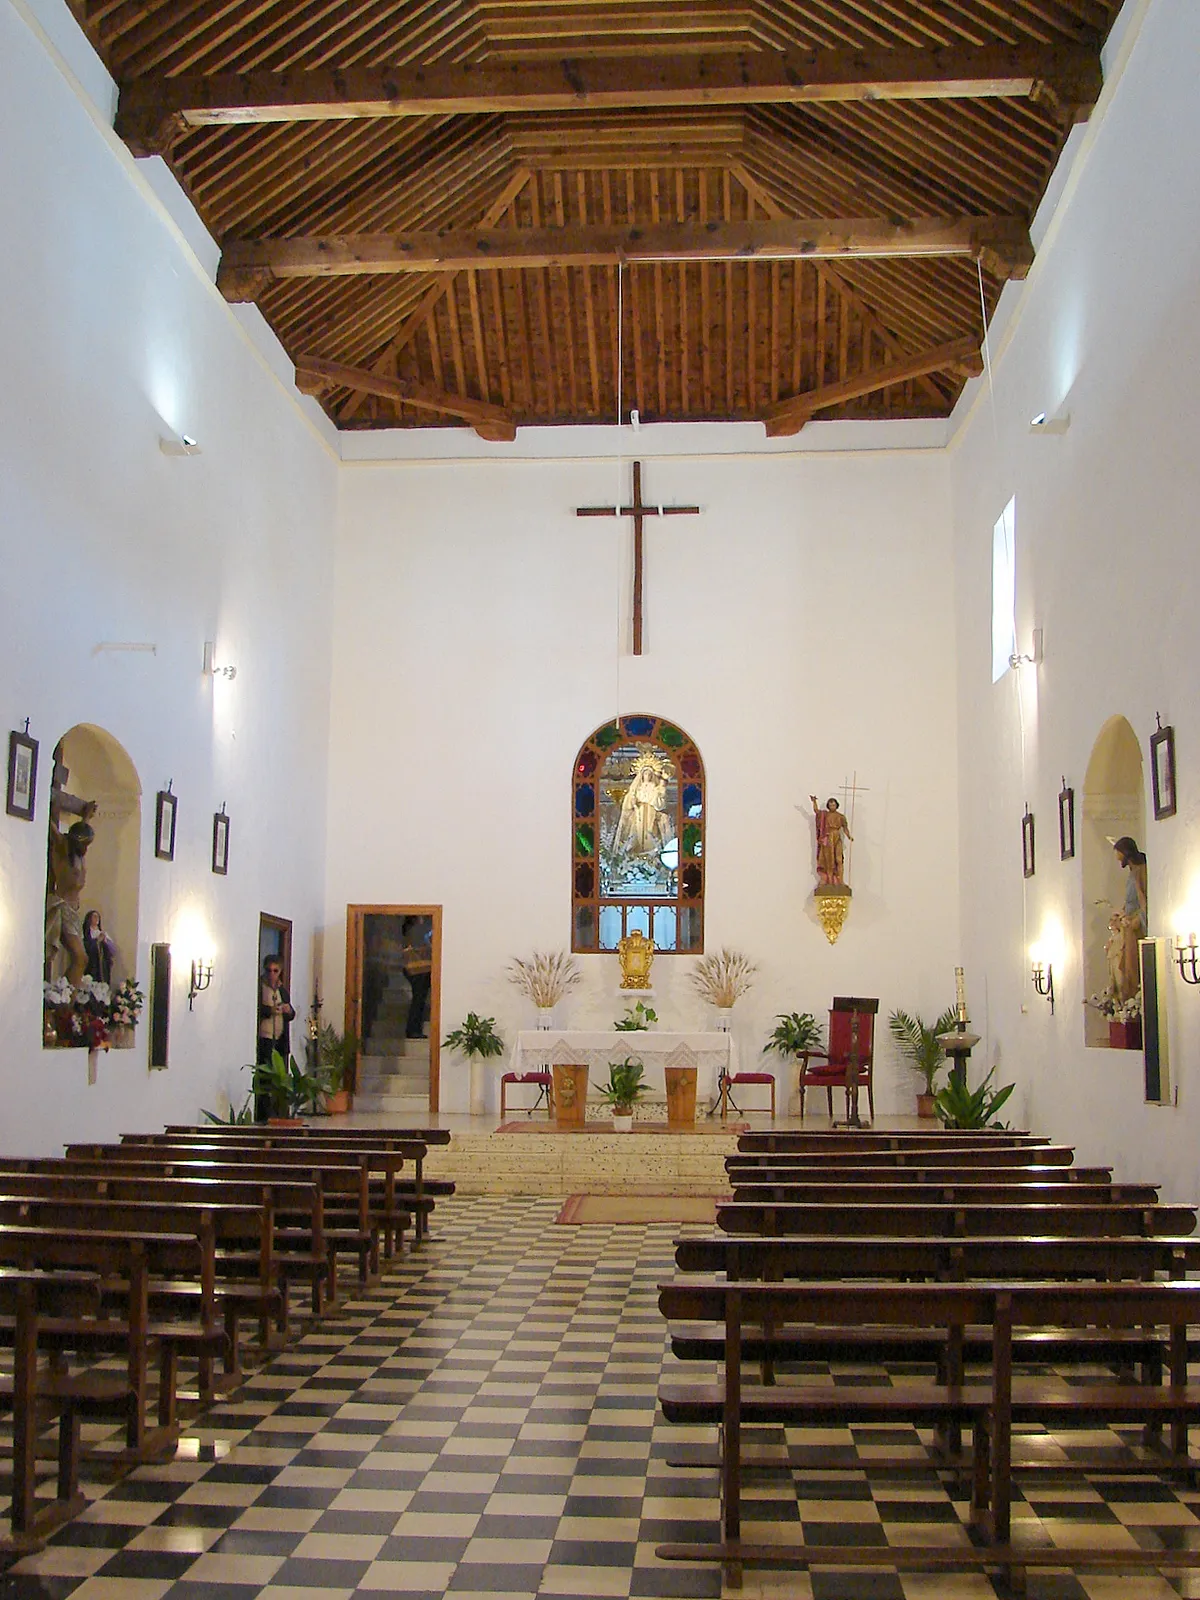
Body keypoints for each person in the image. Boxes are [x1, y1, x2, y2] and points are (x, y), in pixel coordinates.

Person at [45, 798, 97, 986]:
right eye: (83, 845)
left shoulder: (78, 852)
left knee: (81, 960)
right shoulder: (63, 847)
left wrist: (85, 818)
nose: (85, 849)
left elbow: (81, 833)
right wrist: (43, 800)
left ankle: (66, 999)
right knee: (80, 958)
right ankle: (62, 999)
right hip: (62, 907)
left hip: (73, 910)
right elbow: (53, 830)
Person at [612, 750, 674, 860]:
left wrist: (657, 794)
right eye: (645, 773)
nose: (647, 776)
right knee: (636, 834)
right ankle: (634, 855)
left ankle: (652, 856)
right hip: (638, 814)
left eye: (649, 774)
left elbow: (660, 804)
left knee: (651, 834)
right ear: (641, 775)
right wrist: (633, 801)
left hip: (651, 814)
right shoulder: (636, 788)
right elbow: (628, 803)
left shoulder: (654, 788)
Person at [1113, 836, 1148, 1002]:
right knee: (1125, 968)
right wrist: (1121, 915)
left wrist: (1137, 919)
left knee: (1133, 967)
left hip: (1136, 927)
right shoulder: (1131, 873)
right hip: (1128, 925)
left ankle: (1135, 1000)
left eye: (1118, 852)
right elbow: (1130, 902)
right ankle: (1129, 1001)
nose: (1116, 856)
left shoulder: (1142, 871)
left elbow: (1145, 901)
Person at [257, 957, 295, 1066]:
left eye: (275, 971)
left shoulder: (282, 990)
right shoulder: (260, 987)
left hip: (280, 1039)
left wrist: (288, 1010)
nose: (271, 974)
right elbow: (256, 1009)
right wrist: (270, 1010)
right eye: (269, 970)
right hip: (265, 1038)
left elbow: (291, 1014)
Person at [401, 916, 433, 1040]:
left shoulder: (409, 931)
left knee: (418, 999)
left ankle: (413, 1029)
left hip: (413, 970)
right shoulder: (416, 931)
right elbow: (422, 947)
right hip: (420, 970)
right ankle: (413, 1030)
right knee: (418, 1000)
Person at [810, 795, 853, 886]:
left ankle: (840, 880)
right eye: (830, 805)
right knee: (829, 860)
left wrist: (849, 836)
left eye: (833, 805)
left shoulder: (841, 816)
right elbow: (817, 812)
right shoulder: (825, 815)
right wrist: (814, 802)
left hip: (836, 837)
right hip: (828, 837)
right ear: (828, 806)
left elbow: (845, 828)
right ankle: (829, 880)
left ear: (836, 805)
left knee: (839, 859)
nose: (832, 807)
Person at [82, 909, 116, 986]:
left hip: (103, 965)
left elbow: (113, 951)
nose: (97, 918)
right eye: (94, 916)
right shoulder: (86, 933)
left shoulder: (102, 933)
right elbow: (85, 947)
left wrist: (105, 941)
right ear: (89, 919)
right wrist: (97, 941)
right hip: (91, 964)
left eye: (98, 917)